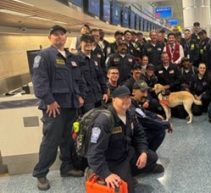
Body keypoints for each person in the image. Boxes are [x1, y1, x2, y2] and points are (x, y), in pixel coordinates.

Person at [32, 25, 85, 190]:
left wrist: (78, 95)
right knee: (50, 141)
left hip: (70, 105)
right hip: (53, 107)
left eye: (62, 34)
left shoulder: (70, 57)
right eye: (55, 35)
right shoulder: (44, 56)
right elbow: (39, 81)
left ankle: (66, 167)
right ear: (49, 38)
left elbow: (75, 80)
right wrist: (49, 100)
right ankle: (40, 174)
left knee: (68, 139)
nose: (59, 37)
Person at [86, 86, 164, 193]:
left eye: (128, 97)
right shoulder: (104, 121)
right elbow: (94, 153)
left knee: (152, 157)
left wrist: (143, 152)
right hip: (112, 162)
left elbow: (139, 135)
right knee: (128, 190)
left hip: (127, 153)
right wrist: (106, 174)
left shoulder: (130, 114)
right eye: (122, 98)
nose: (126, 100)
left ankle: (128, 174)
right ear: (113, 99)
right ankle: (96, 172)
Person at [131, 80, 173, 151]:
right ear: (133, 92)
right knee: (159, 130)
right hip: (132, 138)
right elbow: (145, 120)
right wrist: (166, 124)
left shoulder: (135, 102)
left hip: (136, 131)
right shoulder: (130, 106)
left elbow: (144, 112)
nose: (145, 95)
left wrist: (156, 116)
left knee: (158, 125)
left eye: (146, 92)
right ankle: (147, 155)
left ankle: (148, 153)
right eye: (142, 92)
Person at [77, 34, 108, 113]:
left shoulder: (95, 59)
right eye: (86, 42)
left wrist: (105, 92)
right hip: (86, 98)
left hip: (98, 96)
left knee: (99, 119)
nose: (88, 44)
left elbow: (100, 76)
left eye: (90, 42)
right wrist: (78, 96)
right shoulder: (75, 59)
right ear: (80, 43)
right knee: (88, 121)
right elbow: (74, 80)